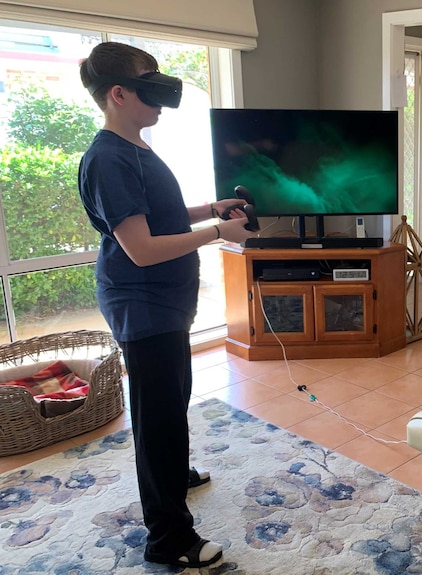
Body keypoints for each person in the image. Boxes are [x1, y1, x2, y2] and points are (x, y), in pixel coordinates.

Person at [77, 42, 257, 568]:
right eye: (149, 85)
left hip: (164, 305)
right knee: (158, 420)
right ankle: (168, 539)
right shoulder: (108, 157)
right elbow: (143, 247)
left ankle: (175, 478)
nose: (161, 98)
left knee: (172, 399)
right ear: (118, 94)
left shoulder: (134, 148)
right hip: (143, 304)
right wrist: (218, 231)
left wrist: (210, 207)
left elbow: (154, 214)